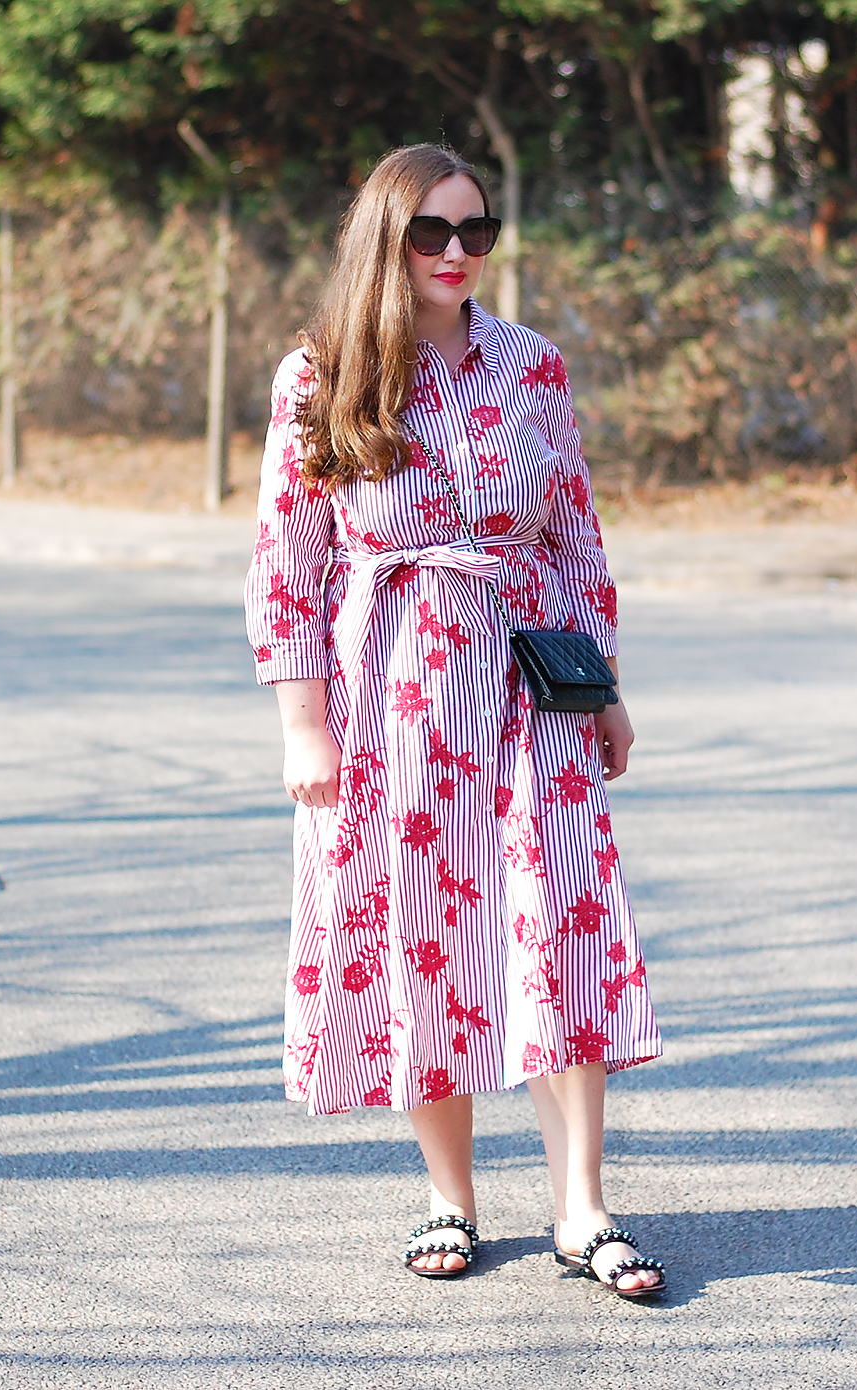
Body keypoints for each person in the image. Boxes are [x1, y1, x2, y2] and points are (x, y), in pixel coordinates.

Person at [243, 144, 666, 1299]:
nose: (456, 254)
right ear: (385, 237)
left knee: (561, 918)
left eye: (476, 230)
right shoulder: (320, 375)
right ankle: (451, 1197)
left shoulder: (532, 364)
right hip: (391, 685)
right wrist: (303, 725)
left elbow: (575, 531)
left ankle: (583, 1207)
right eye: (431, 232)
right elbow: (290, 565)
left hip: (529, 677)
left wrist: (608, 686)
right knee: (423, 932)